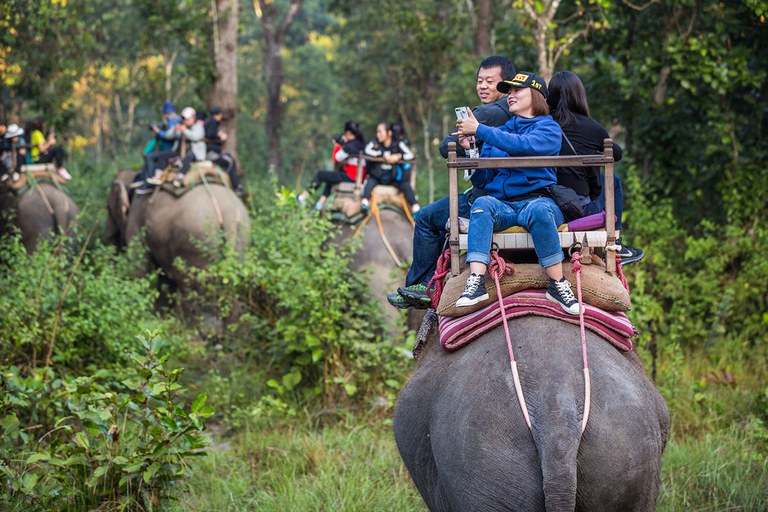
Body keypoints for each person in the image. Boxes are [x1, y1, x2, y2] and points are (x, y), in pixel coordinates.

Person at [388, 55, 516, 309]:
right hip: (510, 194)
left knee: (425, 218)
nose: (483, 86)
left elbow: (446, 147)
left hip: (486, 198)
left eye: (490, 81)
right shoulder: (522, 113)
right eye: (480, 80)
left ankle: (424, 285)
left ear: (505, 86)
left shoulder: (487, 113)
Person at [451, 71, 581, 314]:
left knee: (541, 210)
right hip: (504, 206)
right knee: (481, 204)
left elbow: (524, 146)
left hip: (538, 199)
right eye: (508, 91)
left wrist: (480, 130)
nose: (510, 95)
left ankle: (557, 283)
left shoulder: (548, 128)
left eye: (516, 90)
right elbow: (484, 178)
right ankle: (476, 282)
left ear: (536, 94)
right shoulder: (497, 132)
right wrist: (472, 153)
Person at [547, 71, 644, 265]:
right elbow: (616, 153)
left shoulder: (542, 125)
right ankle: (615, 243)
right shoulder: (592, 128)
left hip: (546, 204)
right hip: (580, 208)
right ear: (579, 96)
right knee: (613, 181)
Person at [297, 120, 366, 211]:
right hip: (360, 177)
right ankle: (320, 204)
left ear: (348, 133)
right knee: (331, 177)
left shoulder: (350, 146)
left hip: (351, 176)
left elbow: (336, 158)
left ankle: (302, 198)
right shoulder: (362, 144)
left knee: (321, 174)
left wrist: (337, 145)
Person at [361, 122, 419, 213]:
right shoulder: (375, 143)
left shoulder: (398, 144)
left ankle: (415, 208)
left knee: (405, 185)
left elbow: (410, 155)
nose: (378, 135)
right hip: (378, 177)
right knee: (370, 181)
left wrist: (399, 156)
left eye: (380, 132)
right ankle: (364, 203)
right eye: (377, 132)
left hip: (393, 178)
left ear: (389, 133)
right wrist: (382, 155)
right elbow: (366, 151)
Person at [134, 101, 182, 189]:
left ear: (166, 113)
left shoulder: (174, 121)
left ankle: (147, 183)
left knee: (149, 157)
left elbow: (169, 135)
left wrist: (158, 131)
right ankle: (143, 178)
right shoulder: (175, 120)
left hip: (172, 151)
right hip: (169, 150)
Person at [204, 105, 244, 195]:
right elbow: (209, 135)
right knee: (230, 162)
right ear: (217, 115)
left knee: (229, 157)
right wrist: (220, 136)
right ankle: (235, 185)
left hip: (212, 151)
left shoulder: (207, 121)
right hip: (211, 152)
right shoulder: (213, 122)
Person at [162, 106, 206, 187]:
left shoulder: (198, 127)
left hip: (195, 153)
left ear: (193, 118)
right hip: (179, 153)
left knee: (189, 156)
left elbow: (195, 137)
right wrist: (174, 129)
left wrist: (184, 130)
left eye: (187, 119)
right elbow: (168, 135)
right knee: (165, 155)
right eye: (184, 119)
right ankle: (159, 175)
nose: (185, 121)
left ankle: (180, 176)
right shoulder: (180, 125)